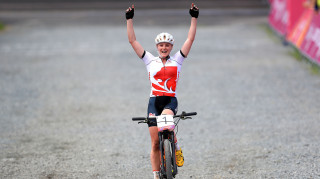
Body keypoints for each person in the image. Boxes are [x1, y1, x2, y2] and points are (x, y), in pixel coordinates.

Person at [126, 3, 199, 179]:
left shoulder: (178, 60)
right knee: (155, 145)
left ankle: (176, 147)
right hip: (154, 101)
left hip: (169, 101)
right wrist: (129, 20)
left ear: (171, 47)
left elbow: (190, 40)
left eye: (167, 45)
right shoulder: (149, 60)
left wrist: (194, 18)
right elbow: (133, 41)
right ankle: (156, 175)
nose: (164, 48)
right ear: (157, 47)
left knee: (166, 120)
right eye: (161, 45)